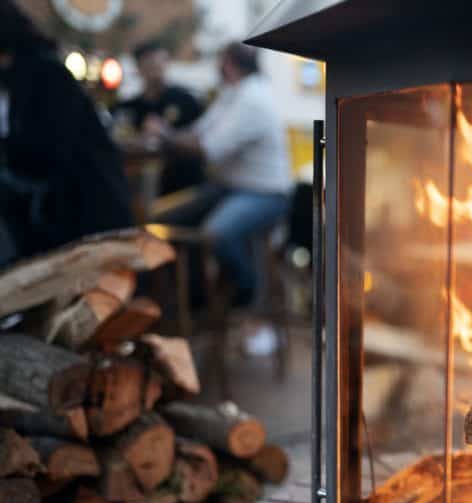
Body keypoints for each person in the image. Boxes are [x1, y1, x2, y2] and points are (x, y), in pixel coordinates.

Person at [148, 42, 291, 311]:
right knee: (163, 219)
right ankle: (192, 300)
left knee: (218, 233)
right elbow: (198, 132)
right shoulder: (233, 94)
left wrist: (164, 135)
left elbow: (207, 149)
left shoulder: (253, 99)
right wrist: (170, 134)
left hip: (266, 193)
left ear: (228, 64)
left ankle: (246, 295)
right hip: (228, 187)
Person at [0, 0, 133, 263]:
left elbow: (47, 150)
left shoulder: (45, 73)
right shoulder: (19, 76)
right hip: (55, 213)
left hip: (82, 214)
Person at [115, 40, 205, 195]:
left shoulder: (186, 101)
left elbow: (201, 140)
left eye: (159, 63)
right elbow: (118, 140)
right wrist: (138, 140)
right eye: (149, 64)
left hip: (181, 185)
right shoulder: (127, 107)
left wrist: (165, 134)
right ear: (139, 68)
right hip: (136, 186)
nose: (156, 69)